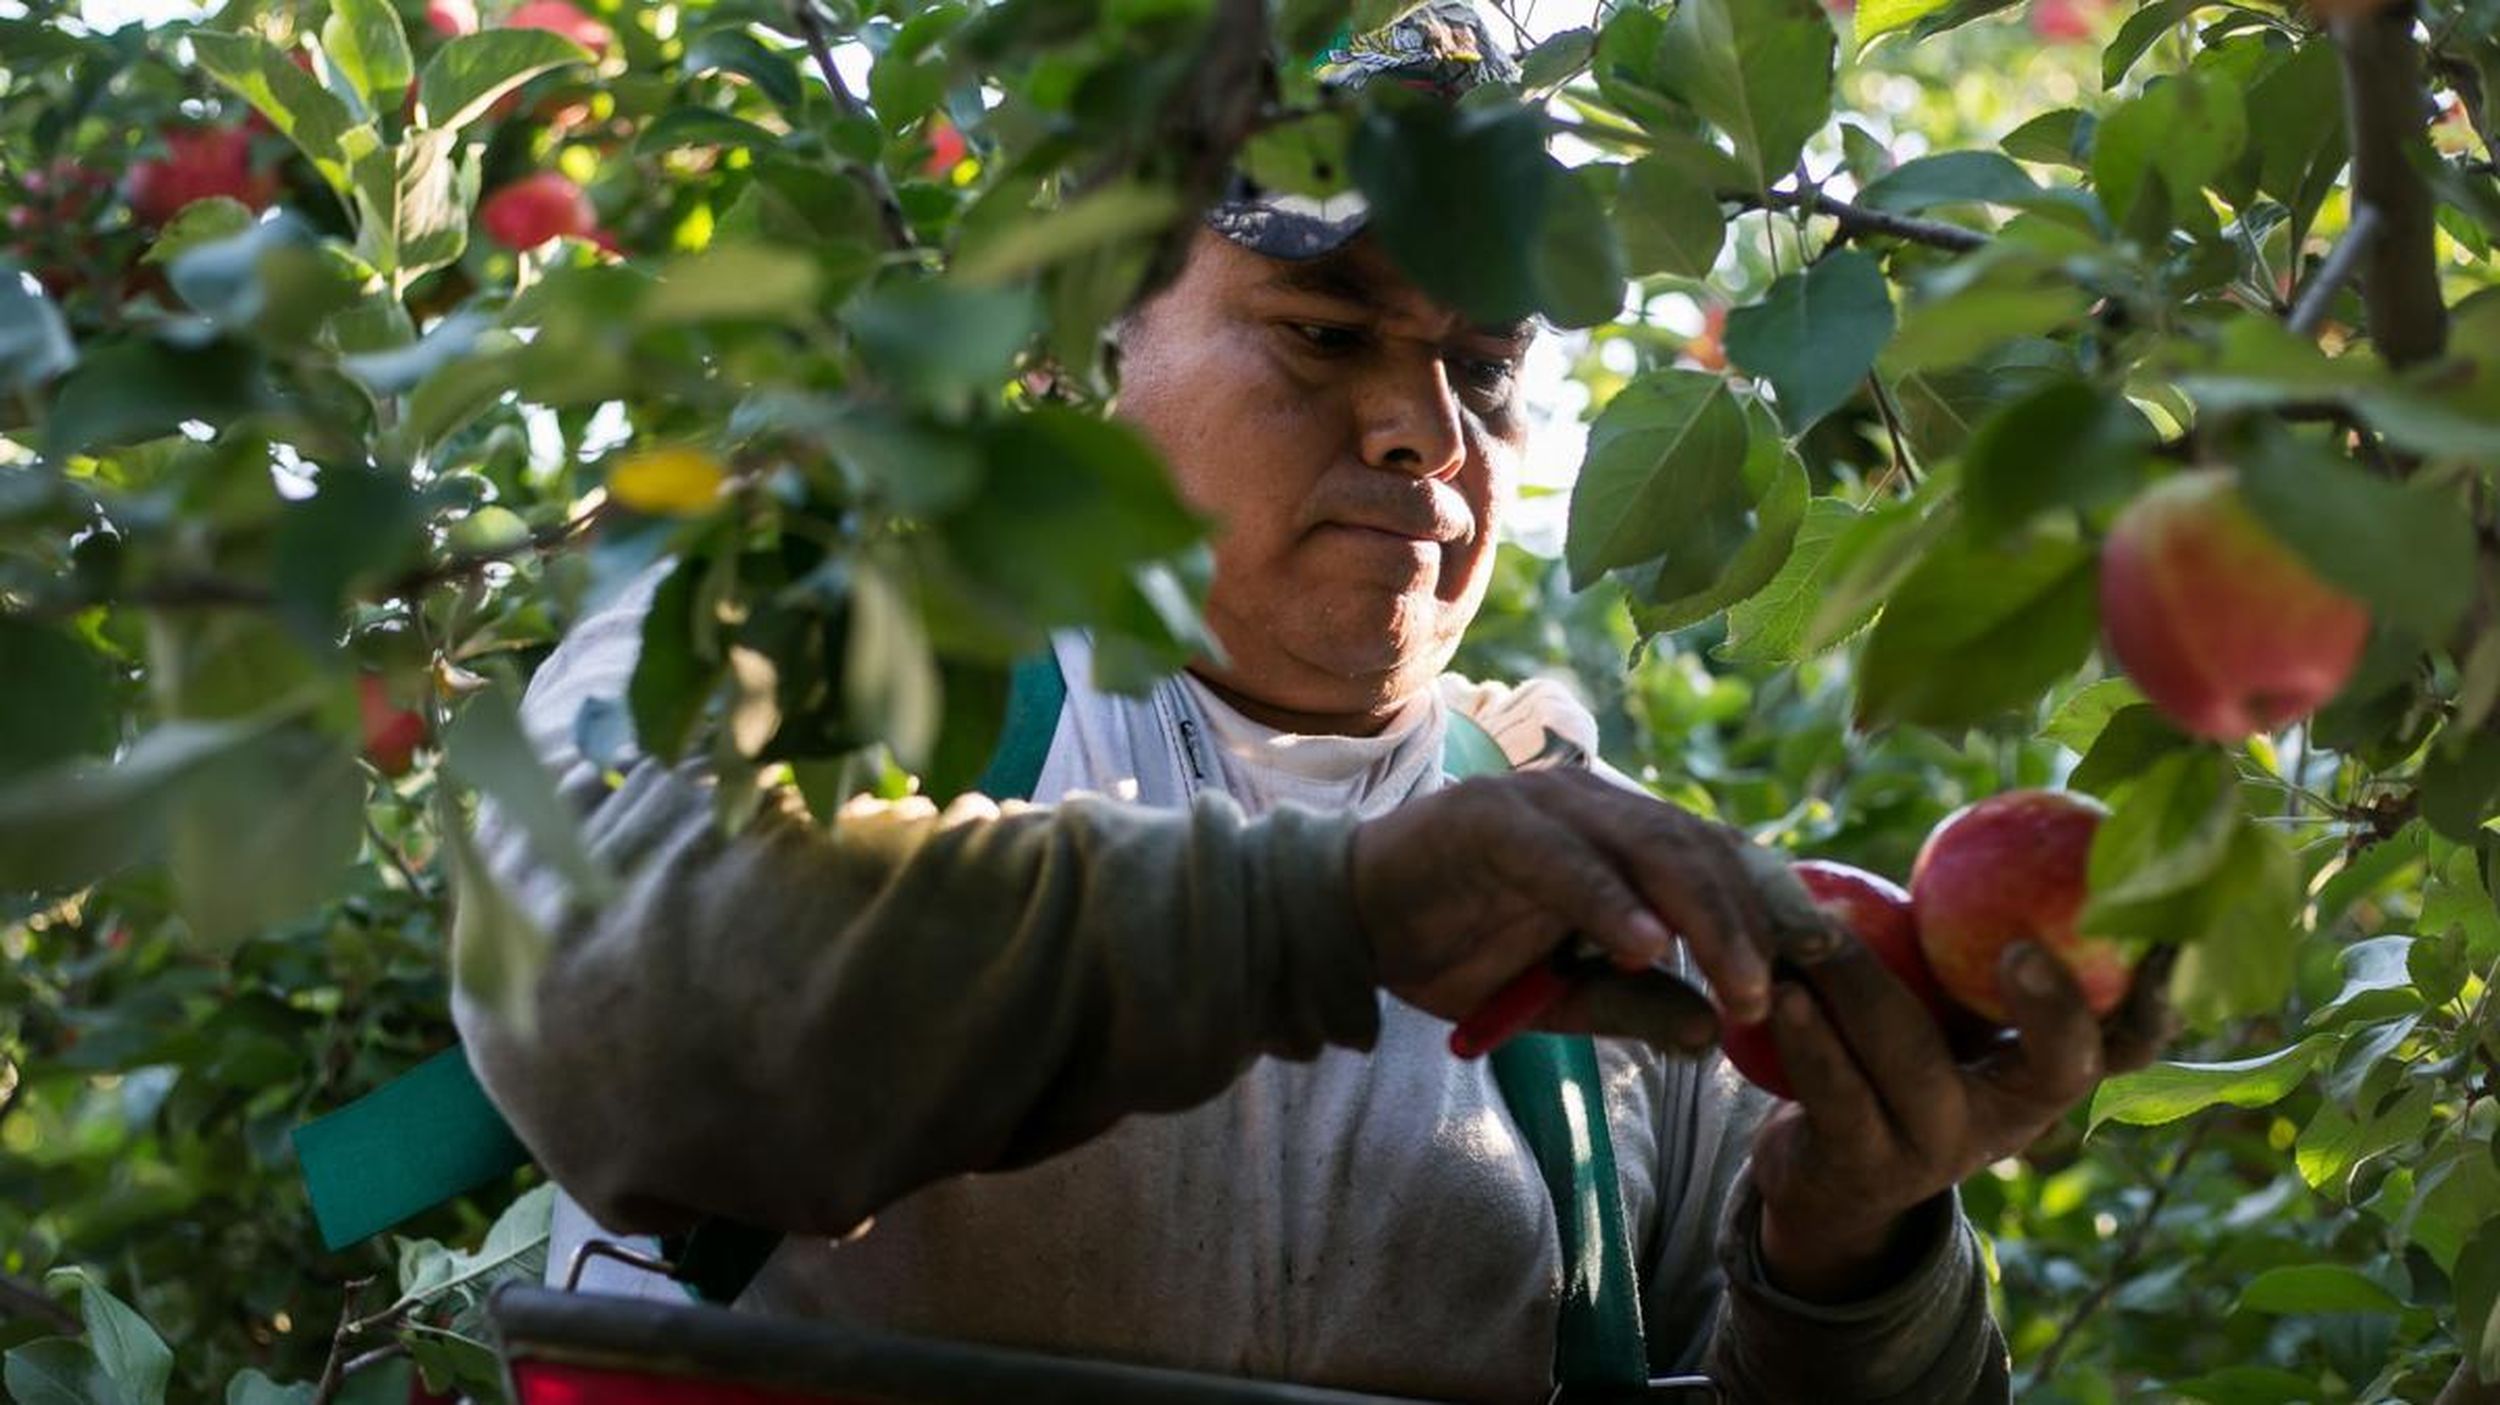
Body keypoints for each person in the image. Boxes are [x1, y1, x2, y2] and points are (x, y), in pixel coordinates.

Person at [454, 7, 2170, 1402]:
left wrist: (1853, 1251)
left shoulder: (1629, 919)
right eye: (1321, 333)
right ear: (1074, 350)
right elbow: (613, 997)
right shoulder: (818, 633)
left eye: (1484, 367)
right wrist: (1340, 912)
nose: (1427, 427)